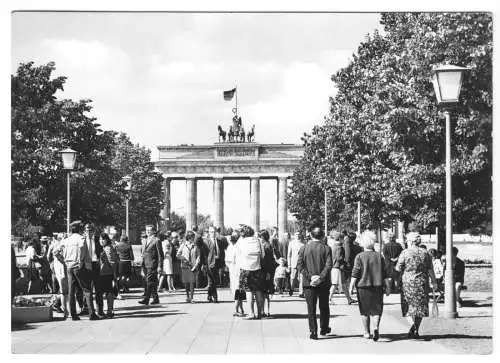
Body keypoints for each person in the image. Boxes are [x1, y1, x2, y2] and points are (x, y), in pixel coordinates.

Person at [396, 231, 438, 339]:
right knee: (420, 307)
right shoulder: (426, 253)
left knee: (407, 306)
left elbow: (398, 268)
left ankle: (413, 326)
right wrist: (434, 281)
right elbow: (430, 269)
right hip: (422, 282)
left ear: (410, 241)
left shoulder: (405, 253)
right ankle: (416, 329)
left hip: (408, 283)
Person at [349, 232, 391, 341]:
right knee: (377, 310)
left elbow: (355, 273)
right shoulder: (379, 256)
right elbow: (385, 273)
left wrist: (351, 287)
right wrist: (388, 286)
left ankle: (366, 332)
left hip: (363, 287)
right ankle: (376, 327)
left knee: (364, 311)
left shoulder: (359, 256)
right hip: (377, 286)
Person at [55, 221, 100, 320]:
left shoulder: (66, 240)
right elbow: (81, 250)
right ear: (79, 229)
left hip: (69, 266)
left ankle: (73, 315)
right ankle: (92, 314)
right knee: (87, 290)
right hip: (79, 267)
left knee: (71, 291)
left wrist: (63, 261)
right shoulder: (81, 239)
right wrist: (80, 262)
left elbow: (56, 252)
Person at [297, 226, 333, 340]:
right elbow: (328, 265)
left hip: (309, 283)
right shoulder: (327, 249)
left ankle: (313, 331)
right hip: (323, 283)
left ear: (311, 235)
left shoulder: (304, 248)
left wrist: (310, 277)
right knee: (324, 306)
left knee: (311, 308)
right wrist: (320, 278)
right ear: (322, 236)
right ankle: (324, 327)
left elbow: (299, 266)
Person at [236, 225, 265, 319]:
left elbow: (238, 256)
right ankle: (260, 312)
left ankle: (251, 313)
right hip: (257, 268)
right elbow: (263, 255)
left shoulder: (241, 242)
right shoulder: (258, 241)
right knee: (258, 291)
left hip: (245, 269)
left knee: (249, 291)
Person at [82, 223, 105, 315]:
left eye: (90, 230)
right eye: (87, 230)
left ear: (93, 231)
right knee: (87, 289)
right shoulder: (82, 240)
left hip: (95, 264)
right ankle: (88, 309)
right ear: (84, 231)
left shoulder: (97, 240)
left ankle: (100, 310)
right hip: (86, 265)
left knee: (98, 288)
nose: (88, 232)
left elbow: (101, 252)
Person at [138, 224, 163, 305]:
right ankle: (156, 299)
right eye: (146, 230)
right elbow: (143, 252)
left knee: (149, 281)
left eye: (149, 230)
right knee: (152, 281)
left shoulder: (157, 240)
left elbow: (160, 255)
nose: (148, 231)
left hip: (153, 264)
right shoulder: (144, 240)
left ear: (153, 231)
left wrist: (160, 266)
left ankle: (146, 299)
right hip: (145, 264)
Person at [328, 231, 355, 304]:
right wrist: (345, 261)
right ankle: (329, 298)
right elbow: (339, 258)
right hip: (338, 267)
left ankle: (349, 299)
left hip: (335, 267)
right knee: (335, 284)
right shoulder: (339, 247)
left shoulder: (333, 246)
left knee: (343, 284)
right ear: (340, 238)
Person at [177, 230, 201, 303]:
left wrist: (195, 265)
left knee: (192, 282)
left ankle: (192, 297)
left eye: (193, 237)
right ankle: (187, 297)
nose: (193, 239)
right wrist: (183, 259)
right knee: (186, 283)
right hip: (185, 266)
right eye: (191, 237)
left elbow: (198, 256)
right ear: (188, 237)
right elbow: (177, 255)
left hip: (193, 266)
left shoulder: (195, 246)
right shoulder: (183, 245)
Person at [99, 233, 119, 318]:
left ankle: (110, 310)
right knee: (107, 292)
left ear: (107, 240)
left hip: (107, 273)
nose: (101, 241)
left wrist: (114, 275)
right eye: (100, 239)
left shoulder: (108, 248)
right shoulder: (104, 248)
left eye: (103, 239)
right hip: (103, 273)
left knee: (109, 292)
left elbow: (112, 262)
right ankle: (109, 310)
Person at [259, 229, 277, 317]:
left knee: (265, 292)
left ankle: (265, 310)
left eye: (260, 236)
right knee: (265, 292)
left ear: (262, 237)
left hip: (266, 271)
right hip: (267, 271)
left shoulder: (266, 246)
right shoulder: (267, 245)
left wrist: (268, 273)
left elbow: (268, 261)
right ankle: (265, 310)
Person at [204, 226, 219, 303]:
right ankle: (215, 297)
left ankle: (209, 296)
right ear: (209, 233)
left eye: (214, 232)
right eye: (211, 232)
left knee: (213, 281)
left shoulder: (217, 241)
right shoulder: (206, 241)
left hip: (217, 264)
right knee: (211, 281)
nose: (213, 233)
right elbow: (204, 254)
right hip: (209, 264)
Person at [288, 231, 305, 297]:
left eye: (299, 234)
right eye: (296, 234)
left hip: (302, 263)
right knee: (292, 277)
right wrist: (289, 265)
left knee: (302, 278)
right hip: (294, 263)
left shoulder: (304, 243)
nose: (297, 235)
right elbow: (289, 255)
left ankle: (301, 292)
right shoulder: (291, 243)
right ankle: (291, 289)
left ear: (301, 235)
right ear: (294, 235)